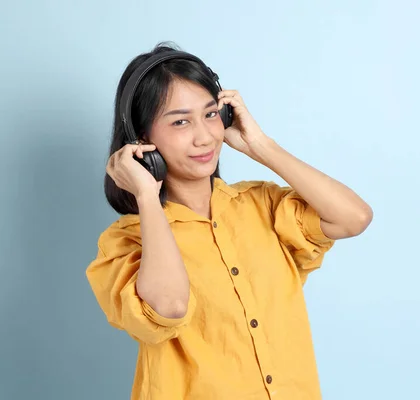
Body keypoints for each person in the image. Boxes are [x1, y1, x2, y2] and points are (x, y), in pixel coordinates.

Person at [85, 42, 373, 400]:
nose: (205, 136)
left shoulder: (263, 205)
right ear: (142, 139)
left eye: (210, 114)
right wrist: (146, 196)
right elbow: (169, 307)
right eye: (180, 122)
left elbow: (354, 217)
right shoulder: (126, 243)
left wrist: (261, 146)